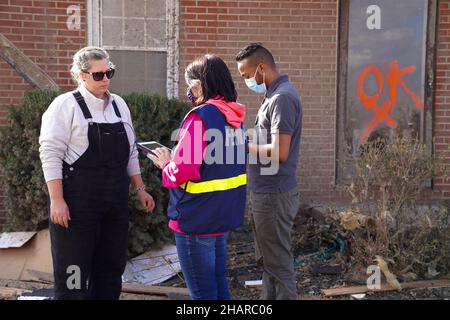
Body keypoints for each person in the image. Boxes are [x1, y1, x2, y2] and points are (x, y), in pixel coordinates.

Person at [39, 46, 155, 300]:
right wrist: (56, 200)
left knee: (110, 269)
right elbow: (50, 154)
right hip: (76, 206)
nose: (106, 79)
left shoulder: (119, 105)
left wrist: (140, 188)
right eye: (98, 75)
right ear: (81, 75)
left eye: (109, 72)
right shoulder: (64, 106)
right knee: (74, 273)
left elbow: (131, 152)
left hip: (114, 204)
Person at [151, 54, 247, 300]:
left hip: (196, 220)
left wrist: (165, 164)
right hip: (222, 216)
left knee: (203, 295)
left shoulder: (199, 117)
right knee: (219, 287)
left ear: (200, 85)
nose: (188, 92)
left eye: (190, 85)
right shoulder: (235, 118)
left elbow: (182, 172)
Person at [235, 43, 303, 300]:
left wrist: (243, 146)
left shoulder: (282, 98)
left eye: (246, 75)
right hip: (266, 192)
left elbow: (280, 152)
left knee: (279, 265)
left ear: (261, 68)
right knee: (270, 264)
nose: (245, 81)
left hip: (274, 195)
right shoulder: (272, 97)